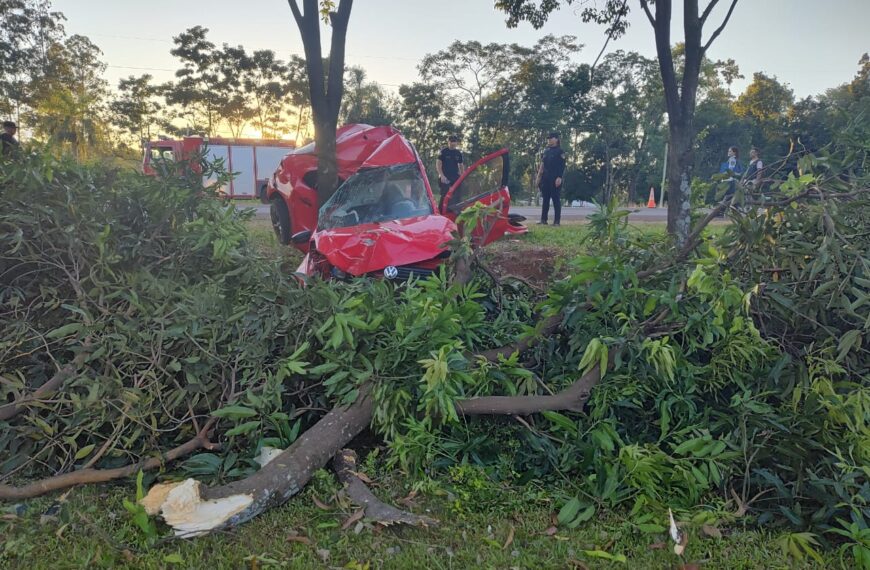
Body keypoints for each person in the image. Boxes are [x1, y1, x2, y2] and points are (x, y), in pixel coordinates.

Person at [536, 131, 566, 225]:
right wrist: (538, 178)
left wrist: (559, 177)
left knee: (556, 199)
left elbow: (562, 166)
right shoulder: (546, 151)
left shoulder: (560, 151)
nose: (549, 140)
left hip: (555, 178)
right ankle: (543, 220)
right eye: (548, 138)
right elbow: (542, 164)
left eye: (551, 138)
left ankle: (557, 221)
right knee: (545, 199)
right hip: (546, 178)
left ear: (556, 139)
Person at [436, 135, 465, 212]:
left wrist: (462, 176)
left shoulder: (458, 153)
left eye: (454, 141)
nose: (453, 143)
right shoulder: (443, 152)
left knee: (457, 196)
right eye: (451, 141)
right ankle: (441, 212)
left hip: (455, 178)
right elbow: (438, 164)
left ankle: (455, 211)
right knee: (444, 195)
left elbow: (461, 165)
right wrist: (442, 176)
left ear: (456, 143)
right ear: (448, 142)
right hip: (444, 177)